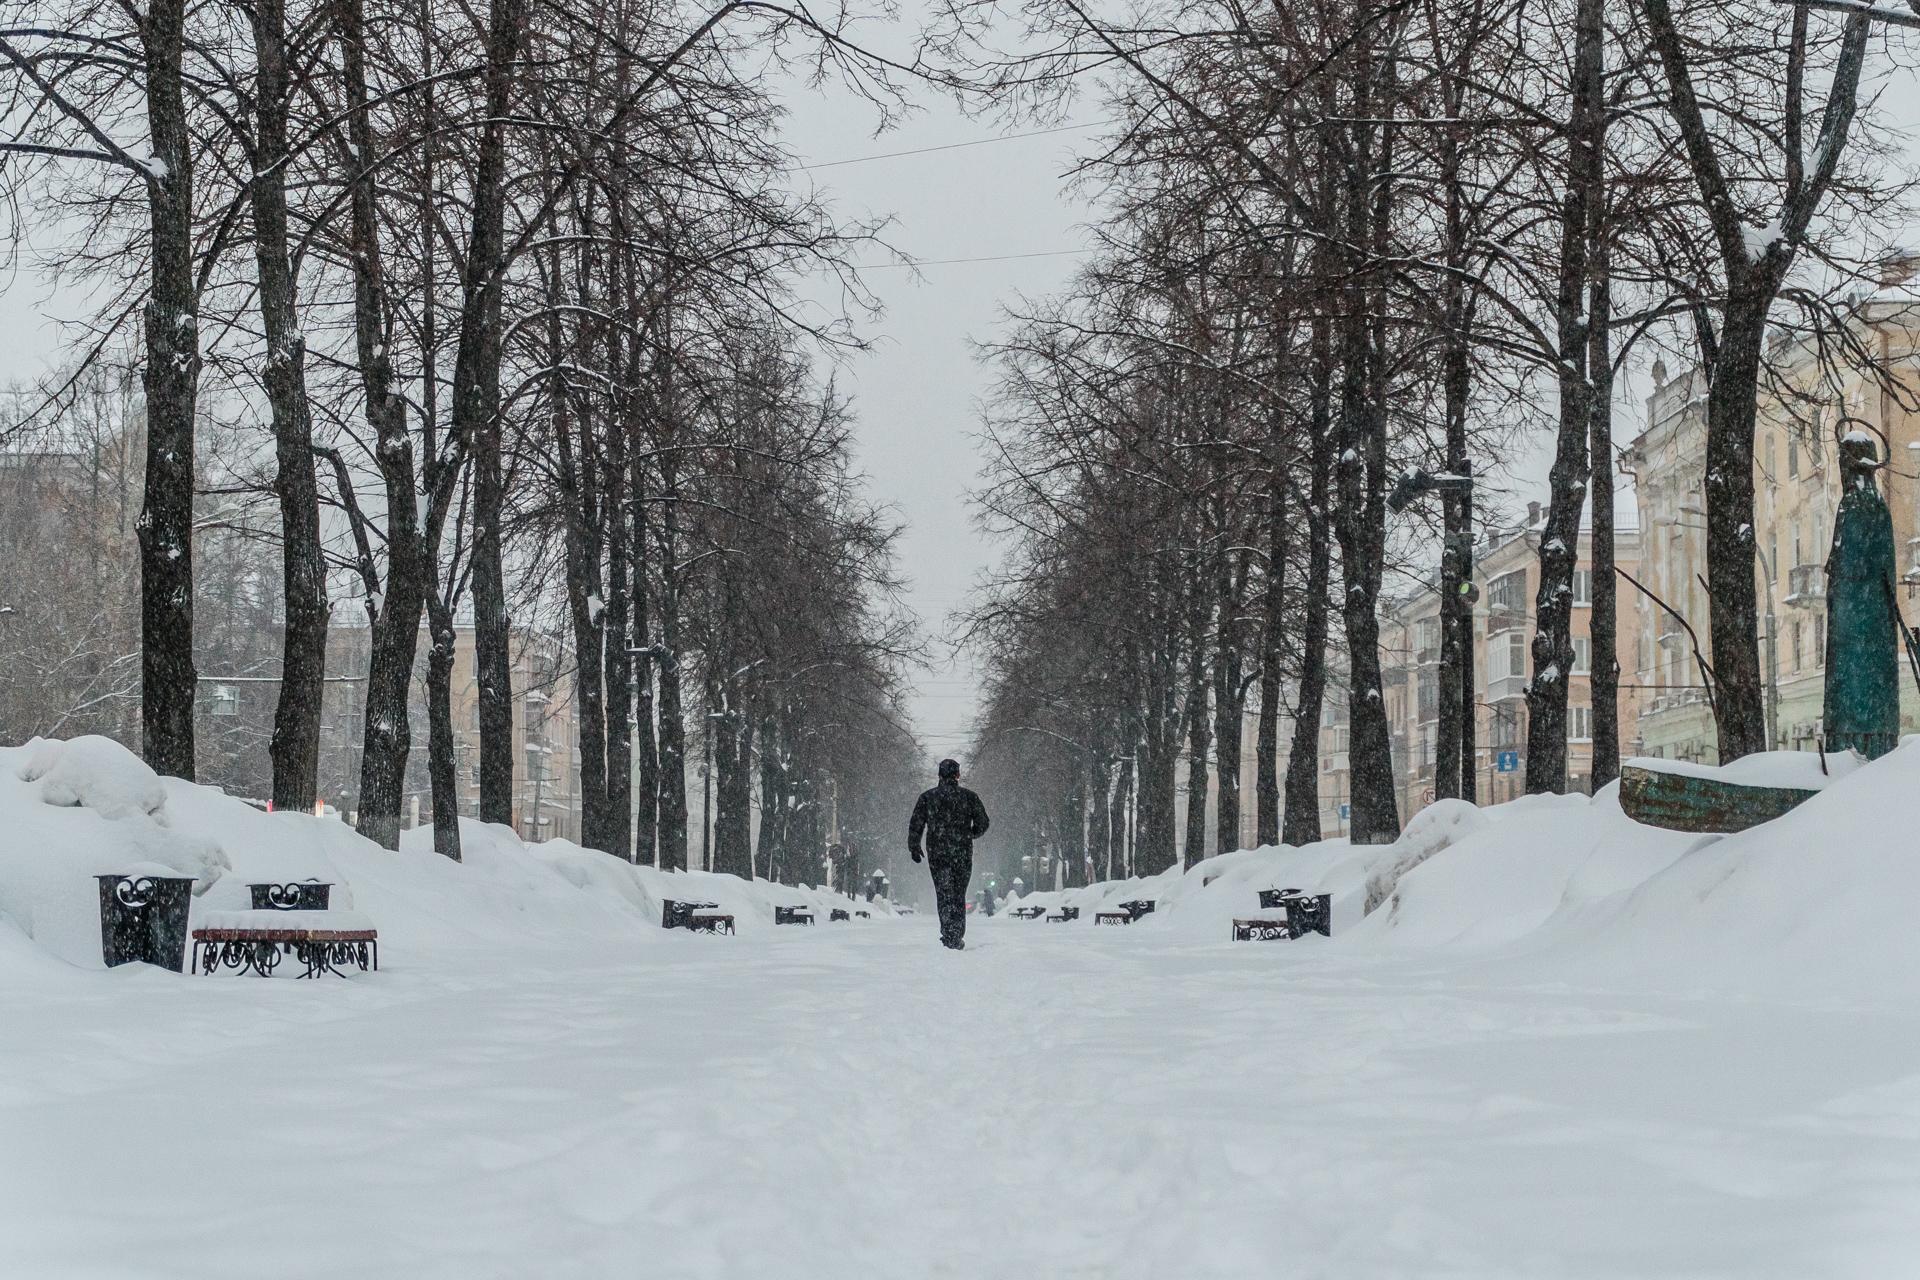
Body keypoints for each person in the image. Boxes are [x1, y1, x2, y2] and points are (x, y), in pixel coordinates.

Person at [908, 758, 991, 950]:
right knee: (958, 894)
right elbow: (983, 822)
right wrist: (970, 833)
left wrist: (914, 846)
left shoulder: (928, 798)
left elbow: (916, 824)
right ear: (958, 775)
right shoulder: (969, 797)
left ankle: (948, 933)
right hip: (962, 852)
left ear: (939, 775)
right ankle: (957, 934)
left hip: (937, 853)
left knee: (944, 893)